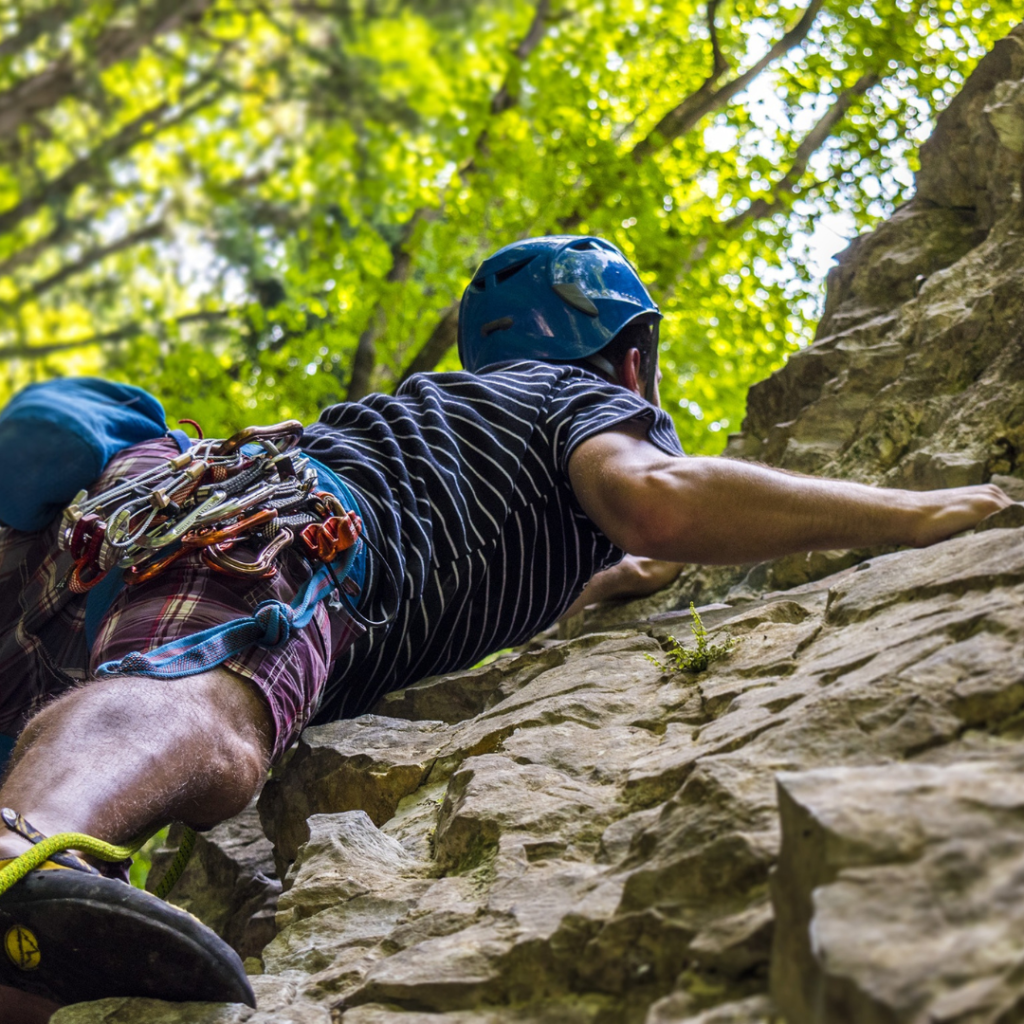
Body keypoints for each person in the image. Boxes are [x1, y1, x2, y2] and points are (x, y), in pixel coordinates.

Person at [0, 235, 1010, 1020]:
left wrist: (624, 578)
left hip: (102, 547)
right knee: (213, 727)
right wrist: (916, 513)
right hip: (277, 529)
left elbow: (588, 568)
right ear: (627, 356)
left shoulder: (473, 461)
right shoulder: (574, 398)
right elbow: (654, 500)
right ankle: (26, 836)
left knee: (48, 929)